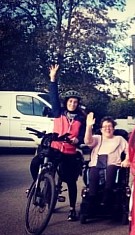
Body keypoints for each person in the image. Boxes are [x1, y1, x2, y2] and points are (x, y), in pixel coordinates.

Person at [29, 64, 86, 221]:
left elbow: (82, 137)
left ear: (77, 104)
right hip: (54, 148)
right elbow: (53, 95)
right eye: (70, 101)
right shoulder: (58, 112)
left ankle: (73, 208)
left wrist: (77, 140)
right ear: (66, 102)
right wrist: (53, 78)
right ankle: (38, 186)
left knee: (70, 180)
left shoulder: (81, 119)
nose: (72, 104)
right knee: (35, 163)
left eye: (75, 102)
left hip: (69, 152)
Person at [84, 112, 130, 213]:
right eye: (105, 127)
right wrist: (88, 126)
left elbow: (129, 151)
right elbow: (87, 141)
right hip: (96, 165)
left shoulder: (119, 139)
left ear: (114, 128)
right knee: (93, 170)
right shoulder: (97, 138)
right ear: (101, 129)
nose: (107, 128)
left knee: (111, 168)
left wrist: (127, 160)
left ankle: (107, 195)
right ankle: (92, 199)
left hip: (113, 166)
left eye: (110, 126)